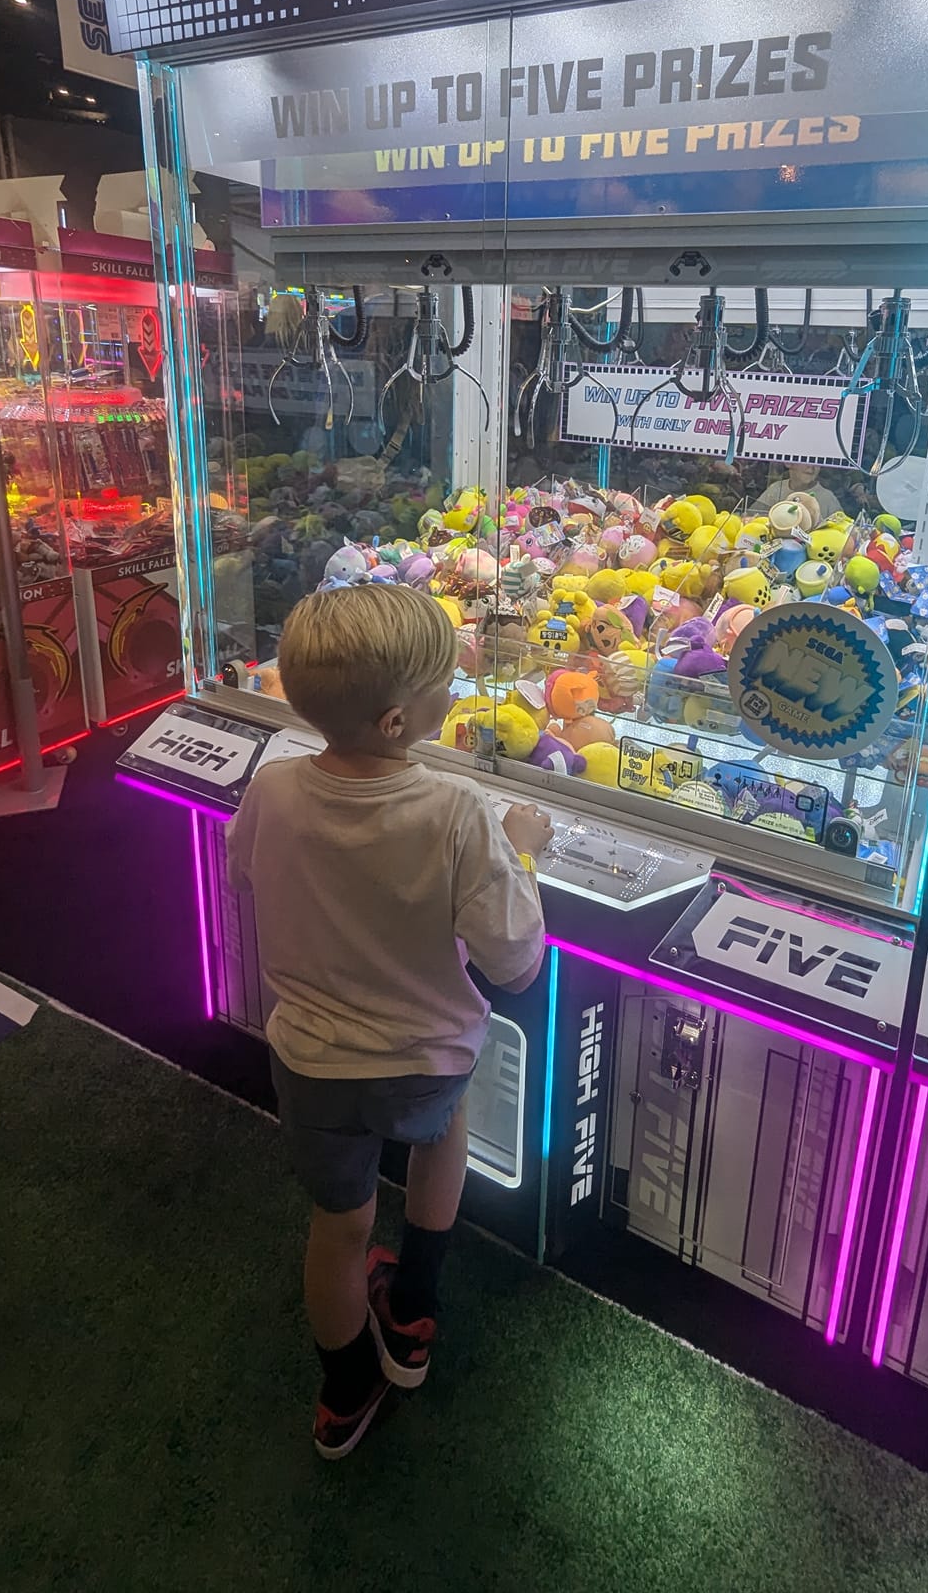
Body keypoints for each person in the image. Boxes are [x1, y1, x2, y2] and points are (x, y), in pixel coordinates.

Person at [227, 581, 551, 1460]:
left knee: (338, 1230)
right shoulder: (458, 812)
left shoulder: (275, 787)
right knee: (443, 1132)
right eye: (448, 681)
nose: (459, 688)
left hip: (311, 1063)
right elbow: (517, 959)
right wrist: (523, 850)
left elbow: (242, 873)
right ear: (401, 721)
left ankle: (343, 1393)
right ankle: (414, 1309)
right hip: (425, 1057)